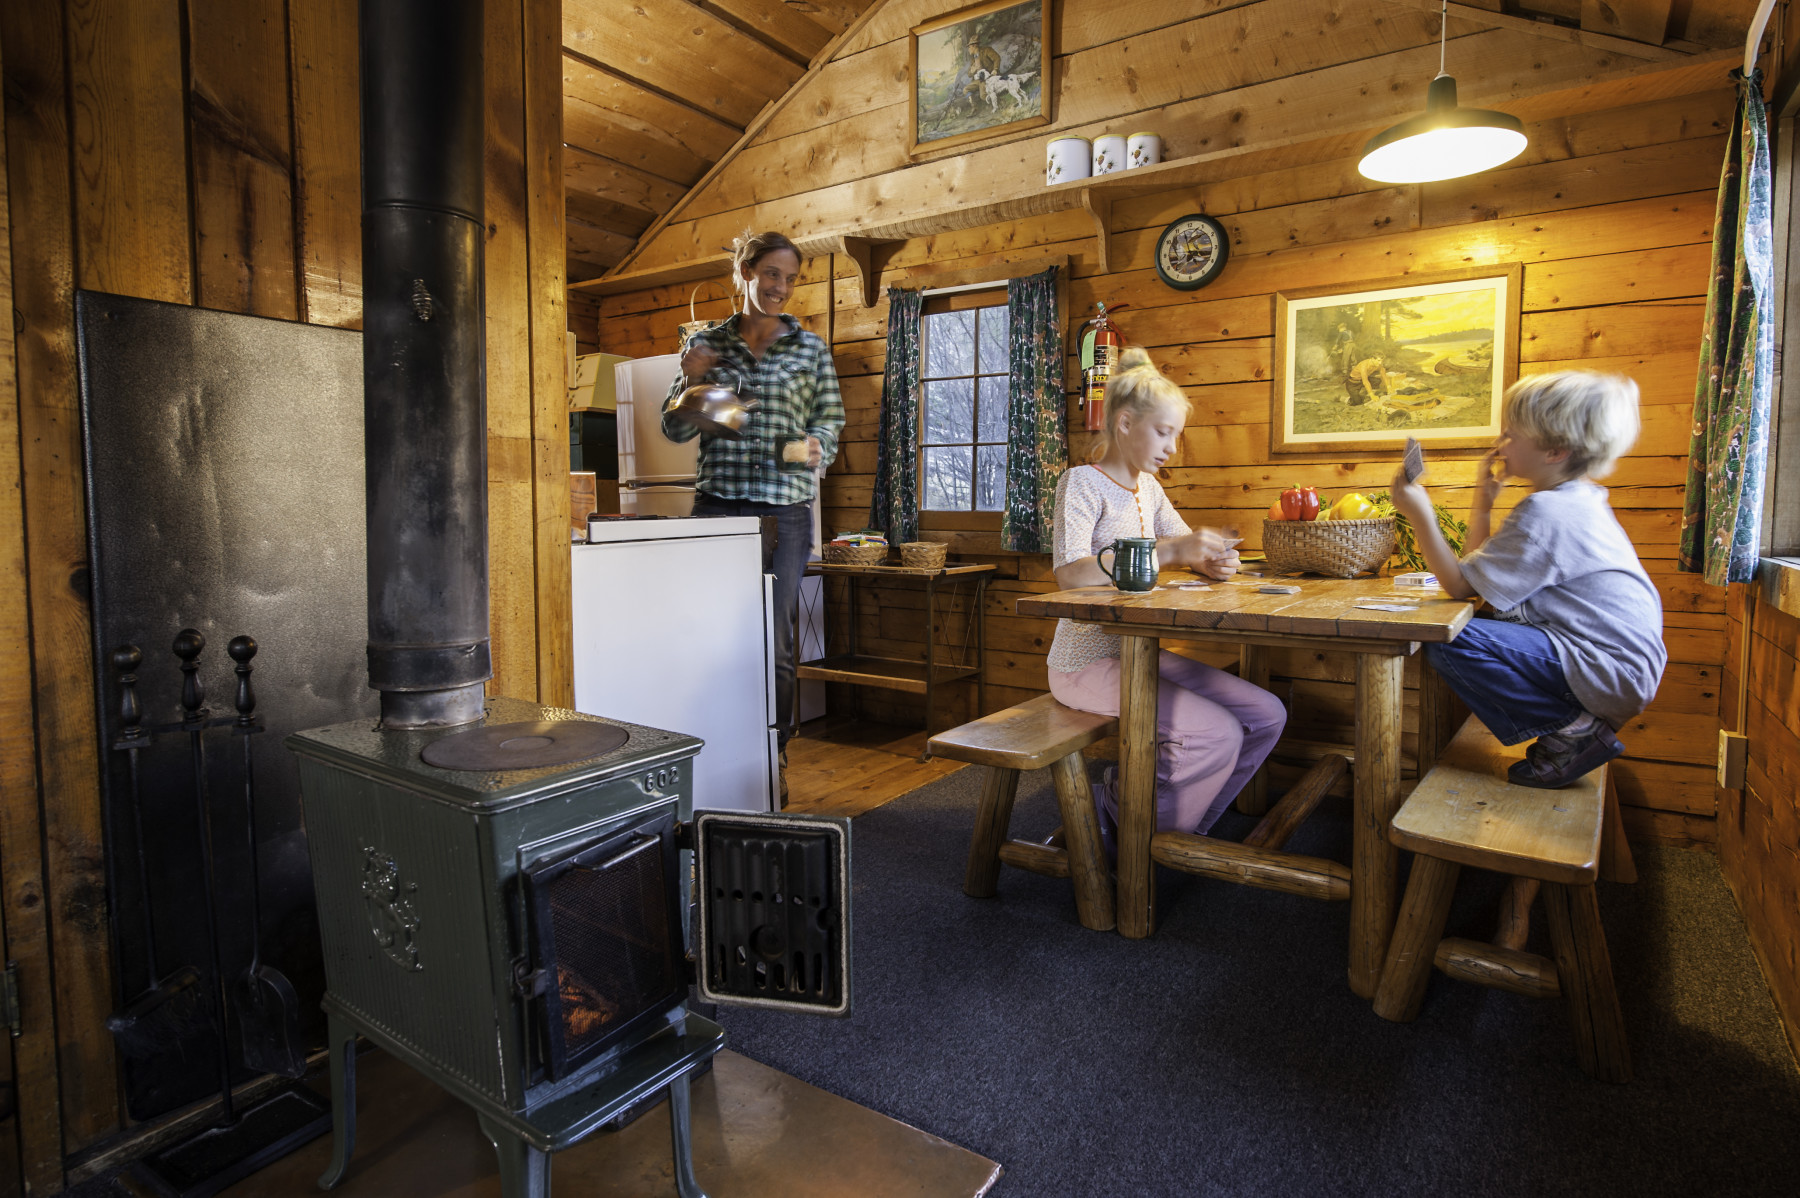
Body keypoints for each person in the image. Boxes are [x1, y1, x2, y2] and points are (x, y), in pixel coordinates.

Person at [1047, 347, 1287, 848]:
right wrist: (1176, 548)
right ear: (1125, 423)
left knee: (1265, 716)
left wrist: (1214, 558)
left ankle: (1175, 831)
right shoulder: (1081, 483)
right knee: (1217, 733)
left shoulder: (1149, 490)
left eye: (1176, 434)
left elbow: (1183, 552)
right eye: (1164, 432)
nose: (1172, 448)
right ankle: (1129, 832)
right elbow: (1070, 575)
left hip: (1141, 653)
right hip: (1084, 662)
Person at [1388, 370, 1667, 788]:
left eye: (1511, 434)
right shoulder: (1574, 499)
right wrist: (1483, 502)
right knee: (1470, 627)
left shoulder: (1546, 513)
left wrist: (1419, 513)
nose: (1501, 444)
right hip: (1619, 665)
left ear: (1555, 450)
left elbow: (1460, 588)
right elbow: (1475, 581)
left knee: (1448, 640)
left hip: (1606, 667)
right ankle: (1572, 727)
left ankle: (1574, 730)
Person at [663, 231, 844, 801]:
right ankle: (711, 749)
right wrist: (691, 377)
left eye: (790, 278)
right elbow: (673, 429)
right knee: (708, 633)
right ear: (744, 271)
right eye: (771, 274)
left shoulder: (810, 349)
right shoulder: (707, 342)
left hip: (785, 515)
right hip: (716, 509)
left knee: (776, 641)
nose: (780, 288)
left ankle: (774, 754)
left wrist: (817, 444)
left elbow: (830, 421)